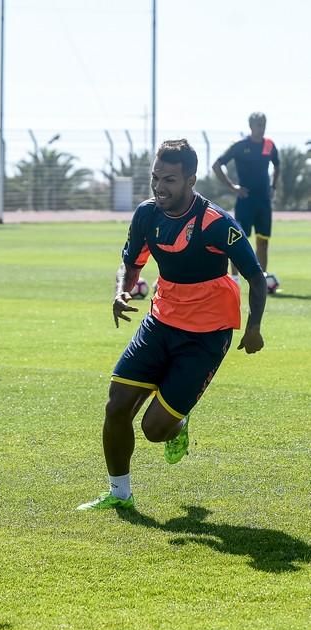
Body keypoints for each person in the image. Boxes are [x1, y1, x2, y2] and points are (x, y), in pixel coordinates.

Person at [77, 139, 267, 511]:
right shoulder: (147, 215)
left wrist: (254, 327)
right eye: (156, 178)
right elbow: (131, 263)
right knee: (116, 406)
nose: (160, 187)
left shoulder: (217, 224)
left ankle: (178, 423)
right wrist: (122, 292)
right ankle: (119, 495)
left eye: (170, 180)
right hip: (160, 322)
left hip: (207, 336)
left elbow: (256, 277)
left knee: (154, 429)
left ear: (191, 180)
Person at [212, 112, 280, 280]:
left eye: (264, 124)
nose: (262, 127)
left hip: (264, 202)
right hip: (245, 201)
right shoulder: (240, 146)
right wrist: (233, 187)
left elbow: (277, 165)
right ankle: (234, 280)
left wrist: (273, 186)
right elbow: (217, 165)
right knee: (237, 241)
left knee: (263, 242)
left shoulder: (269, 145)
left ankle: (262, 279)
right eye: (258, 124)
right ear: (251, 126)